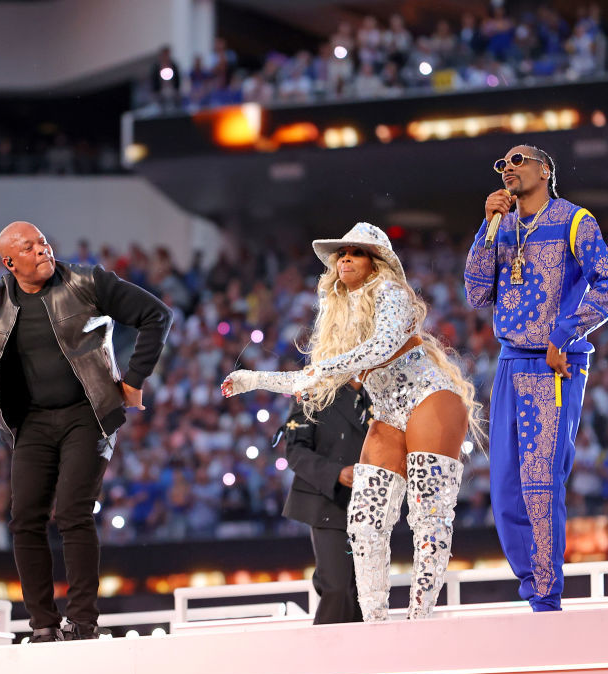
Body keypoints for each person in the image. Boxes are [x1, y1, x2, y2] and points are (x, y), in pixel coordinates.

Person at [0, 221, 172, 642]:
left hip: (89, 413)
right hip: (30, 422)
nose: (43, 250)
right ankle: (44, 625)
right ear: (10, 262)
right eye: (29, 248)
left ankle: (83, 621)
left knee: (72, 512)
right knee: (25, 519)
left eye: (44, 243)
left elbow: (157, 315)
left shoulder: (87, 281)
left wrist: (135, 380)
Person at [222, 222, 480, 621]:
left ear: (376, 263)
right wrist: (252, 380)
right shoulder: (340, 320)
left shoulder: (392, 293)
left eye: (356, 252)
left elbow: (383, 346)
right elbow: (312, 378)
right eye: (341, 253)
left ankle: (421, 618)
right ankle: (376, 625)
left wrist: (326, 369)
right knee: (364, 522)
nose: (345, 258)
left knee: (428, 516)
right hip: (389, 412)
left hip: (431, 398)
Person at [464, 144, 608, 611]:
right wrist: (487, 227)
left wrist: (566, 332)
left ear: (545, 170)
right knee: (505, 488)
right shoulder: (500, 226)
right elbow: (476, 291)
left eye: (518, 160)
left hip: (554, 364)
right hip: (509, 361)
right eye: (502, 163)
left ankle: (547, 600)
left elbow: (606, 282)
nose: (508, 168)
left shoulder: (574, 220)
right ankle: (533, 592)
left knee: (539, 482)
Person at [278, 380, 370, 624]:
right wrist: (336, 473)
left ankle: (359, 657)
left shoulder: (383, 388)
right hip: (328, 502)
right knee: (338, 589)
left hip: (373, 505)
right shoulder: (314, 389)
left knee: (366, 595)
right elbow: (295, 450)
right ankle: (323, 655)